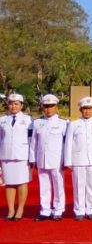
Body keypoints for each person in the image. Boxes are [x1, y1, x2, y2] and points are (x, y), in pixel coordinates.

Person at [30, 94, 68, 222]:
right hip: (42, 158)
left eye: (51, 106)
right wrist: (32, 159)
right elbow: (33, 142)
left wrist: (66, 160)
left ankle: (58, 210)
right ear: (42, 107)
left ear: (56, 107)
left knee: (58, 185)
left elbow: (66, 144)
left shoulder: (63, 123)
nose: (48, 109)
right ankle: (45, 210)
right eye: (46, 106)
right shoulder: (37, 123)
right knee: (44, 186)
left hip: (57, 159)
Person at [64, 96, 92, 221]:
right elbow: (68, 143)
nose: (87, 111)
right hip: (78, 159)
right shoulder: (73, 124)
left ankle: (91, 209)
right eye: (85, 108)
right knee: (78, 186)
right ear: (80, 109)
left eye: (90, 108)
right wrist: (68, 160)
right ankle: (79, 210)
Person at [0, 93, 32, 221]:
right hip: (6, 155)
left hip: (22, 155)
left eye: (16, 104)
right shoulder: (2, 120)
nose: (13, 106)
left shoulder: (29, 120)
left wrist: (32, 157)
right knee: (9, 183)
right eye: (11, 104)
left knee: (22, 182)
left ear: (21, 105)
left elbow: (32, 140)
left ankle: (20, 209)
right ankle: (11, 209)